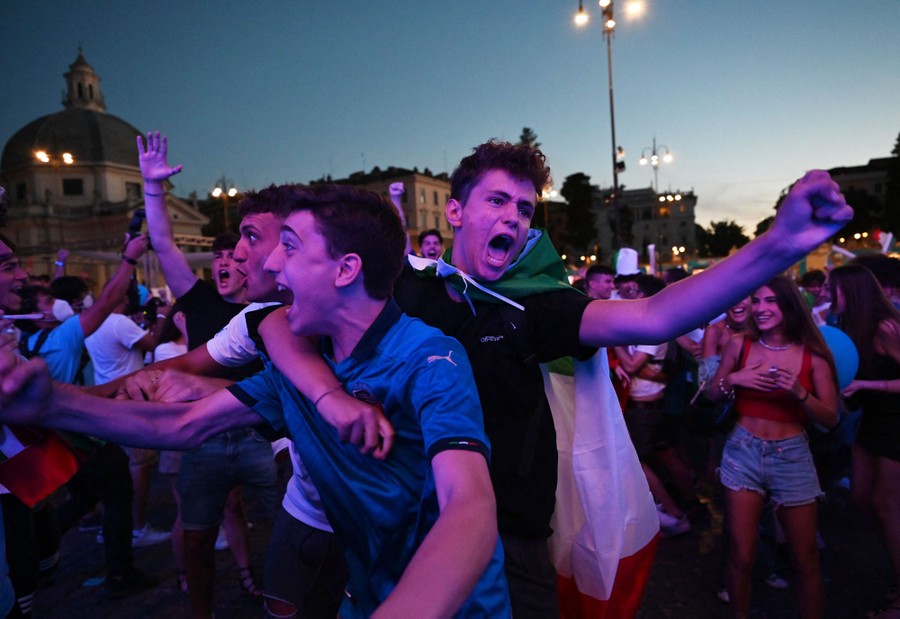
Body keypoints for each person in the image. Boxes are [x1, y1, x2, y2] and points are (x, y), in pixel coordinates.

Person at [259, 140, 853, 617]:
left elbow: (656, 313)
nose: (513, 219)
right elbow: (277, 325)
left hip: (510, 538)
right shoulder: (403, 289)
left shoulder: (535, 309)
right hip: (392, 525)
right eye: (496, 202)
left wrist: (778, 246)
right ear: (457, 212)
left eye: (523, 209)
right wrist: (330, 397)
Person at [0, 184, 512, 618]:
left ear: (345, 269)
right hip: (367, 592)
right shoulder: (303, 361)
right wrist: (50, 405)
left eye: (289, 246)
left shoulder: (430, 359)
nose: (269, 264)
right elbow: (180, 428)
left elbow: (469, 506)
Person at [137, 132, 276, 613]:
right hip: (204, 435)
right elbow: (162, 242)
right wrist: (153, 190)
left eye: (233, 255)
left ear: (247, 266)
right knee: (195, 533)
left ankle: (274, 588)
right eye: (216, 257)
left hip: (264, 434)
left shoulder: (270, 309)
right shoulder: (198, 302)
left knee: (297, 523)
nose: (225, 261)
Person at [708, 275, 839, 618]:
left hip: (791, 454)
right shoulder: (740, 345)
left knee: (804, 555)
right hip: (742, 450)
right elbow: (711, 393)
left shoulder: (814, 356)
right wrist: (734, 379)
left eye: (770, 301)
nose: (760, 308)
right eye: (756, 300)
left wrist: (800, 394)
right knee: (741, 554)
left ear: (789, 305)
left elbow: (831, 418)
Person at [829, 264, 900, 619]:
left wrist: (866, 386)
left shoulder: (888, 328)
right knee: (861, 497)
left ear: (853, 293)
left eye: (833, 288)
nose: (827, 294)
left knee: (886, 505)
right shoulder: (851, 330)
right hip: (872, 420)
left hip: (896, 422)